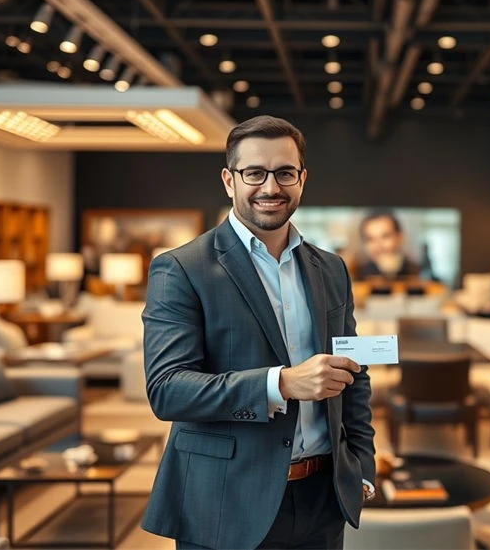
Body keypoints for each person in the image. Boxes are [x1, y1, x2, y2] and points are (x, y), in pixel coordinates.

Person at [140, 115, 377, 550]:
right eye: (254, 173)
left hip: (322, 499)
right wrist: (281, 384)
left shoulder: (331, 268)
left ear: (302, 179)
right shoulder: (181, 269)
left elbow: (354, 371)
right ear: (229, 180)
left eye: (285, 173)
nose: (271, 187)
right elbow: (167, 389)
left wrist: (361, 466)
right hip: (226, 500)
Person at [355, 211, 421, 281]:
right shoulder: (357, 275)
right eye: (370, 239)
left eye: (385, 236)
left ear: (400, 237)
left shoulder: (418, 272)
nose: (378, 246)